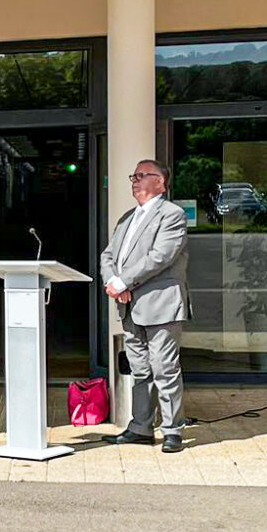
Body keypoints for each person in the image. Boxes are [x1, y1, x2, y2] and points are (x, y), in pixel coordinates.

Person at [99, 159, 190, 453]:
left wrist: (123, 282)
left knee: (165, 368)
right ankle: (140, 427)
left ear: (160, 182)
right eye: (133, 175)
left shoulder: (172, 214)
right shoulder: (127, 218)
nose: (135, 180)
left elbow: (160, 256)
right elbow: (108, 255)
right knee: (140, 370)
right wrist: (113, 281)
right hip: (130, 305)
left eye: (142, 175)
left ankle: (173, 431)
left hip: (161, 304)